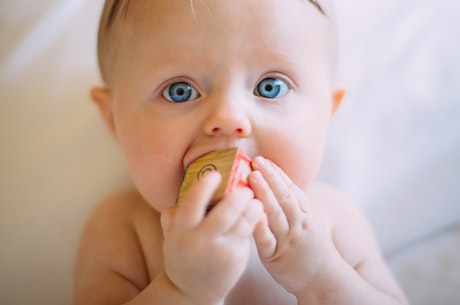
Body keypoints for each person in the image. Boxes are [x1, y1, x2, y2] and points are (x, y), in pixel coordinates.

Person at [73, 0, 409, 304]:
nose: (229, 118)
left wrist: (320, 276)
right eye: (180, 91)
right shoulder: (123, 228)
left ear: (327, 114)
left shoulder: (332, 222)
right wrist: (183, 290)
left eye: (270, 86)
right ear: (114, 119)